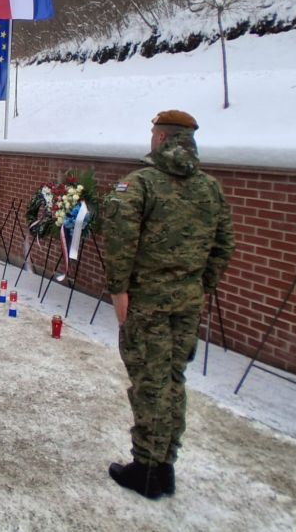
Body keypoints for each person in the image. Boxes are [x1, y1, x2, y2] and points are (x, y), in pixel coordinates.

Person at [102, 110, 235, 499]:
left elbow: (119, 244)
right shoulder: (210, 188)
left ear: (160, 139)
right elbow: (224, 244)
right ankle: (165, 465)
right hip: (187, 302)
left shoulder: (140, 185)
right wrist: (201, 286)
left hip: (147, 303)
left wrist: (118, 292)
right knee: (173, 379)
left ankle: (146, 469)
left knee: (150, 382)